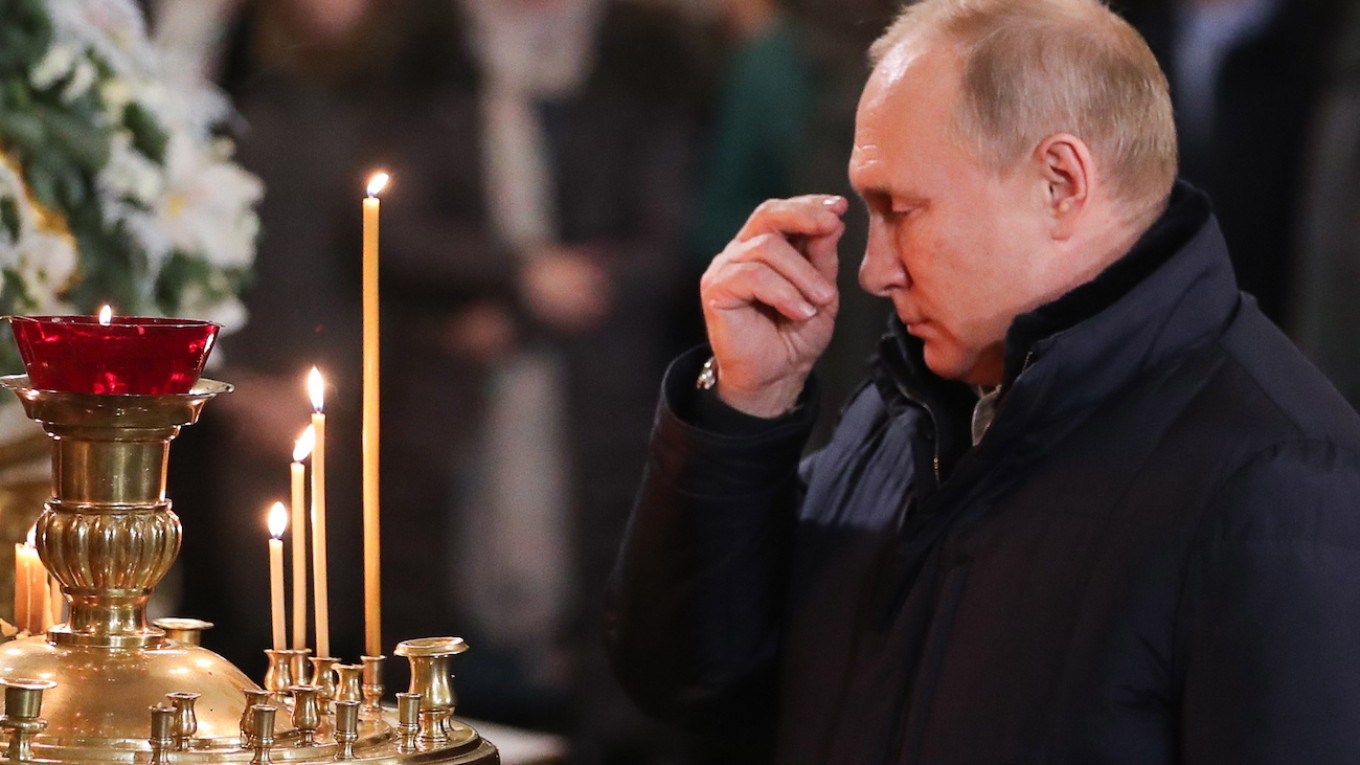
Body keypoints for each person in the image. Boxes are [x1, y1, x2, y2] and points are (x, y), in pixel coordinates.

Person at [605, 0, 1360, 762]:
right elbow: (691, 682)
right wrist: (744, 410)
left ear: (1060, 182)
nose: (873, 270)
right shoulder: (909, 408)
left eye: (902, 210)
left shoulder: (1278, 481)